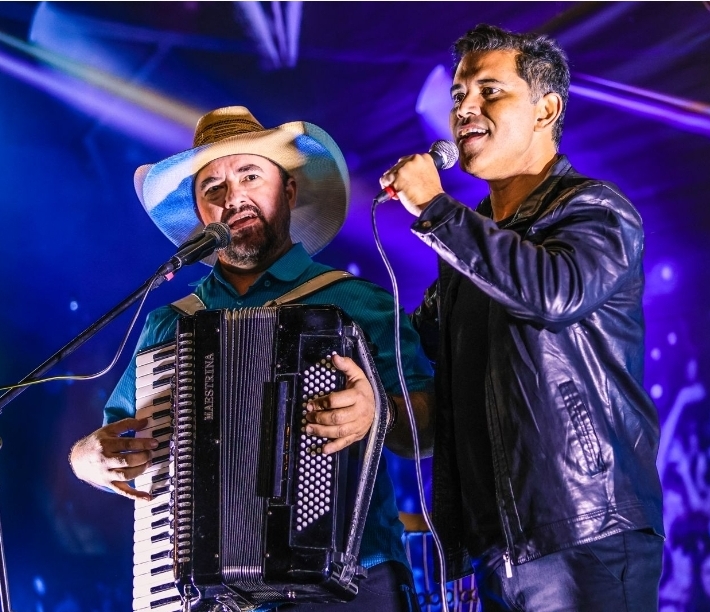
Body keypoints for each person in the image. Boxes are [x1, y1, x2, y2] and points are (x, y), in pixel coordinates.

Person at [68, 106, 435, 611]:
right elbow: (122, 444)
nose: (233, 197)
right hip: (211, 593)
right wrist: (86, 460)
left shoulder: (358, 302)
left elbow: (429, 433)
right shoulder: (168, 324)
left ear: (289, 191)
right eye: (213, 188)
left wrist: (381, 413)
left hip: (354, 582)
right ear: (201, 215)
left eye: (250, 175)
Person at [379, 24, 664, 611]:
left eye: (490, 91)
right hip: (495, 552)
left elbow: (553, 292)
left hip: (585, 534)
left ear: (546, 109)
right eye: (459, 95)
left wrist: (436, 209)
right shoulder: (469, 249)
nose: (466, 109)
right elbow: (413, 348)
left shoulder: (595, 211)